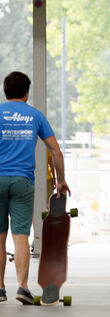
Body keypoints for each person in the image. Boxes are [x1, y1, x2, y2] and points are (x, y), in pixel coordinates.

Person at [0, 71, 70, 304]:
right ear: (27, 92)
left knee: (0, 236)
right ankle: (22, 287)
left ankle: (0, 289)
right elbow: (56, 151)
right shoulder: (35, 116)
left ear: (5, 91)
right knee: (20, 235)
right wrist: (60, 180)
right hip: (22, 181)